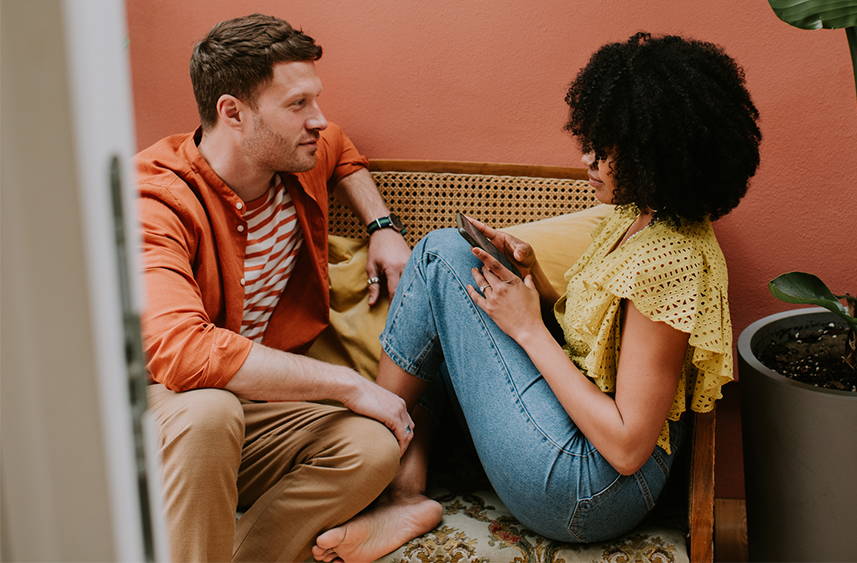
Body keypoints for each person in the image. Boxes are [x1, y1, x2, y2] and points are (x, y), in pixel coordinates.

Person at [312, 32, 761, 562]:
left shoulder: (670, 260)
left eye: (607, 148)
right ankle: (403, 496)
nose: (588, 158)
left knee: (437, 256)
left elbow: (625, 446)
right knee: (447, 287)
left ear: (655, 154)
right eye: (592, 138)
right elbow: (600, 338)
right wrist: (529, 281)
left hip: (590, 492)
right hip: (580, 456)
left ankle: (368, 474)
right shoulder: (639, 215)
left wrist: (527, 326)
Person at [136, 14, 437, 562]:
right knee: (209, 414)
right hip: (166, 406)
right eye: (298, 105)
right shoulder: (155, 199)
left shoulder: (296, 157)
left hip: (252, 406)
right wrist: (347, 384)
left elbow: (342, 150)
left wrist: (382, 226)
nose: (318, 120)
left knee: (375, 446)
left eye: (315, 100)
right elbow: (182, 352)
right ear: (233, 112)